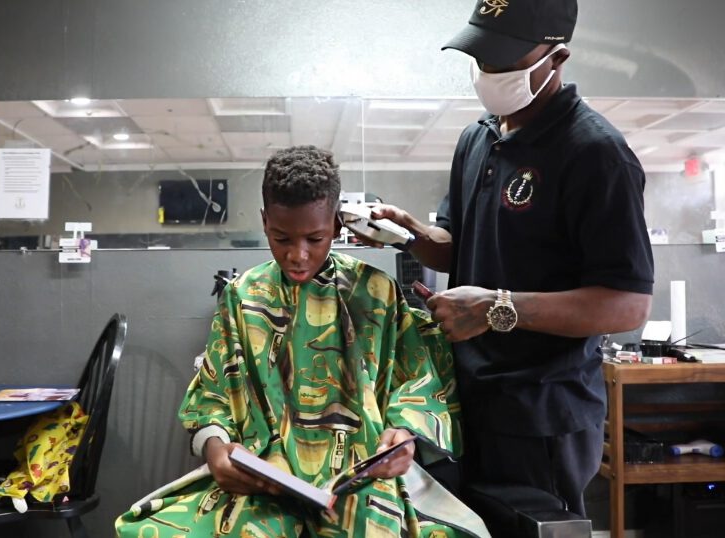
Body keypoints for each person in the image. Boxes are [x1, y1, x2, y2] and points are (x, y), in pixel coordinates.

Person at [357, 0, 654, 519]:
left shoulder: (595, 153)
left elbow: (626, 305)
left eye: (504, 62)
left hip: (542, 413)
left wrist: (498, 308)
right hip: (469, 399)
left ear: (556, 57)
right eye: (482, 58)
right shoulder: (480, 138)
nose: (488, 73)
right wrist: (408, 234)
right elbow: (457, 243)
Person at [116, 145, 489, 537]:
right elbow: (213, 396)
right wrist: (214, 448)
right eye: (281, 238)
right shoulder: (243, 298)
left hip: (362, 482)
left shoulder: (375, 294)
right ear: (264, 222)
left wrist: (404, 436)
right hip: (266, 479)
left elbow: (417, 383)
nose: (298, 255)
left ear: (338, 227)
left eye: (315, 238)